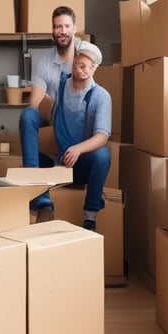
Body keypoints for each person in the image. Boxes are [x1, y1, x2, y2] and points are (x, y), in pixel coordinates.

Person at [48, 41, 112, 231]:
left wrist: (77, 149)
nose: (85, 71)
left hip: (82, 162)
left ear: (95, 68)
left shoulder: (101, 96)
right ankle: (40, 203)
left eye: (90, 67)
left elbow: (102, 135)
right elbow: (44, 111)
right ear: (74, 61)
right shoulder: (59, 86)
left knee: (103, 155)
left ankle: (90, 216)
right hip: (60, 161)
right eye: (81, 65)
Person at [19, 5, 80, 169]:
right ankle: (31, 172)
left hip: (76, 116)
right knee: (28, 114)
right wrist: (54, 111)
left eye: (67, 26)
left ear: (75, 28)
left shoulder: (83, 56)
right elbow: (35, 102)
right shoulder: (44, 62)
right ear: (53, 30)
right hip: (51, 116)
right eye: (58, 26)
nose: (62, 31)